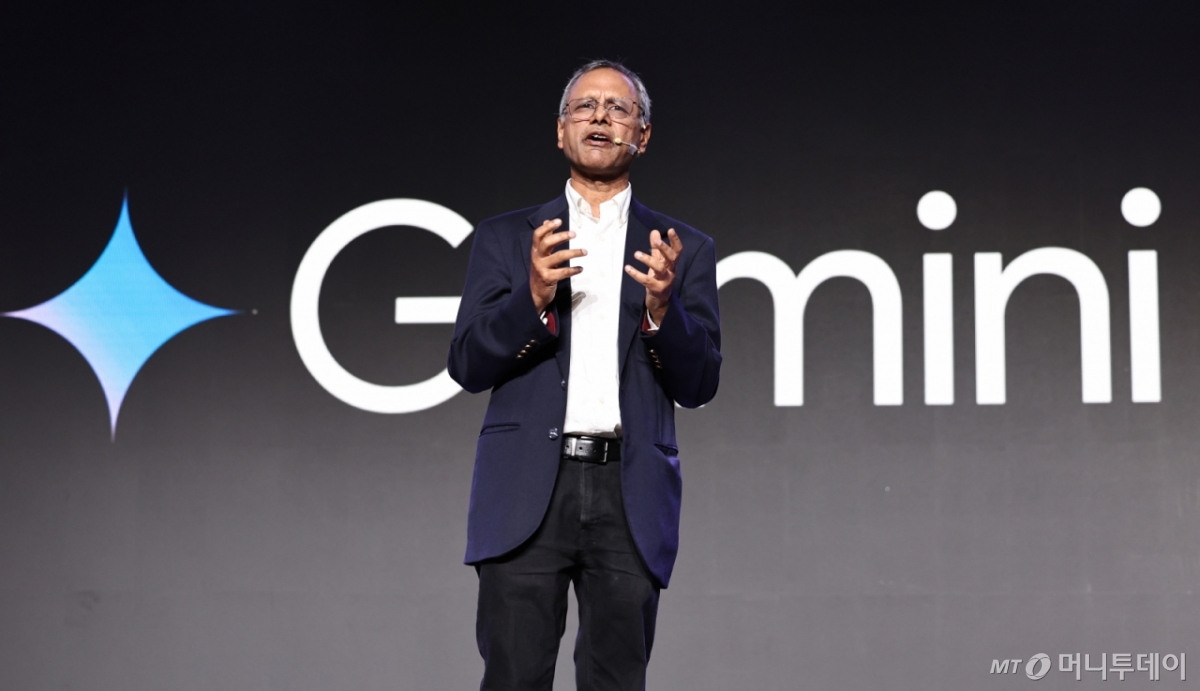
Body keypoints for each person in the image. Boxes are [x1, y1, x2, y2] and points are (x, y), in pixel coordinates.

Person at [447, 59, 722, 691]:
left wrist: (663, 312)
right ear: (560, 130)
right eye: (584, 106)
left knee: (616, 679)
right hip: (525, 492)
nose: (600, 117)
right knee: (514, 677)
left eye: (618, 108)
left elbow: (700, 384)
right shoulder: (507, 238)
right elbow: (467, 364)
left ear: (642, 135)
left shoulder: (682, 249)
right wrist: (531, 297)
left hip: (630, 494)